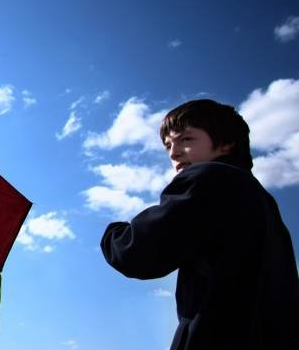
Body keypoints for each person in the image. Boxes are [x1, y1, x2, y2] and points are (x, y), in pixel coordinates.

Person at [100, 99, 298, 350]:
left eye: (185, 139)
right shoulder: (263, 201)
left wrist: (112, 233)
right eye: (168, 145)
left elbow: (136, 252)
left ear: (226, 143)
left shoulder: (210, 178)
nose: (173, 153)